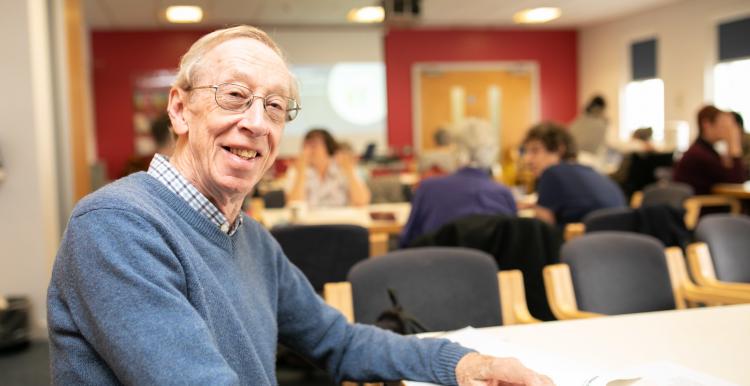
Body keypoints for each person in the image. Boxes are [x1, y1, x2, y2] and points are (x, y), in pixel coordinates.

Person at [47, 25, 552, 386]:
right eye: (235, 95)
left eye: (273, 106)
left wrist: (467, 366)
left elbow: (341, 340)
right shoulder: (115, 226)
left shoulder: (251, 240)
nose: (257, 123)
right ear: (180, 108)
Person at [400, 118, 517, 247]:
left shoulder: (428, 188)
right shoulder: (503, 194)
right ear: (492, 151)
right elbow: (512, 244)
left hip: (435, 264)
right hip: (489, 266)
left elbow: (407, 241)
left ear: (454, 149)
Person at [522, 122, 626, 226]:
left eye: (535, 151)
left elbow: (543, 229)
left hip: (587, 239)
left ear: (559, 149)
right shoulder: (592, 172)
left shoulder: (551, 173)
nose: (527, 159)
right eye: (525, 152)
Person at [285, 128, 371, 208]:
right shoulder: (297, 170)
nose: (308, 150)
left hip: (342, 220)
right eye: (306, 145)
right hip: (308, 222)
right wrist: (301, 173)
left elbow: (362, 201)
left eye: (314, 145)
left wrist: (349, 172)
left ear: (329, 148)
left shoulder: (343, 167)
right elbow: (294, 204)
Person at [673, 106, 746, 195]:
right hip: (704, 206)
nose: (727, 129)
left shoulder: (703, 150)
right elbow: (736, 183)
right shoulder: (699, 155)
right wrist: (734, 143)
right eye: (722, 124)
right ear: (706, 124)